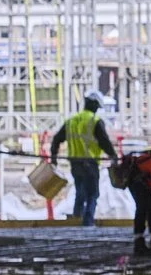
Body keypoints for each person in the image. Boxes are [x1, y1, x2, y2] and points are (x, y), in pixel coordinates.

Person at [48, 94, 117, 226]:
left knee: (80, 192)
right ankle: (87, 222)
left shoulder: (71, 121)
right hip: (90, 163)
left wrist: (54, 157)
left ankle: (77, 219)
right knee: (92, 194)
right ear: (95, 106)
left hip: (75, 163)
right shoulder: (94, 121)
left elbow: (56, 139)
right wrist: (113, 156)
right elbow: (104, 142)